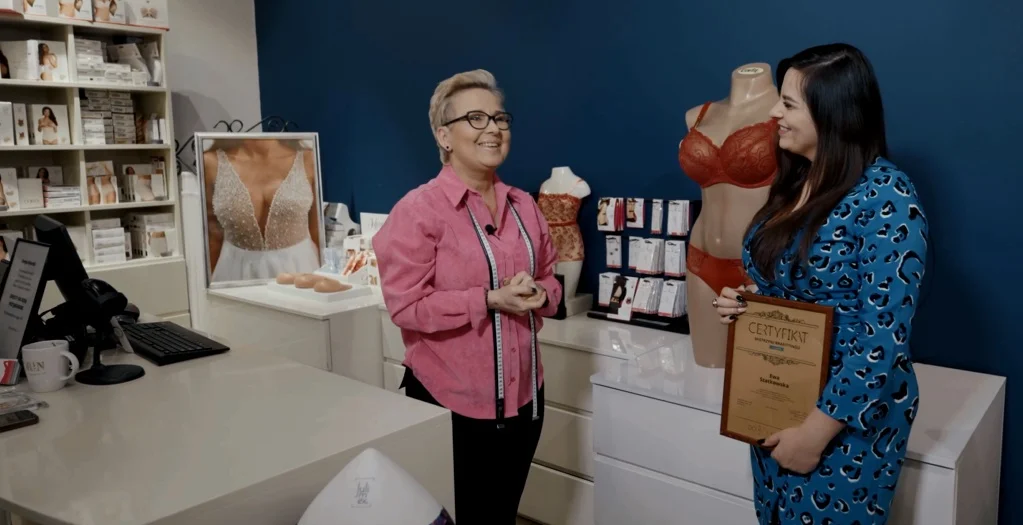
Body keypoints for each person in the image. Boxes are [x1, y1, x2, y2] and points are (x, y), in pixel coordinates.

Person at [716, 43, 928, 524]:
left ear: (833, 114)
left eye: (788, 104)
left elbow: (883, 335)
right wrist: (750, 303)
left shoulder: (888, 196)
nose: (774, 113)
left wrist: (814, 434)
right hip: (779, 398)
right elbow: (796, 287)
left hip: (842, 421)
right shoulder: (797, 180)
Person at [373, 69, 562, 525]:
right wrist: (488, 300)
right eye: (475, 118)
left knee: (500, 515)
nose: (493, 128)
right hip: (451, 403)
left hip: (525, 399)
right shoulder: (418, 211)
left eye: (500, 118)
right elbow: (407, 306)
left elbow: (551, 280)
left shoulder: (524, 206)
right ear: (444, 136)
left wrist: (540, 293)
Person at [203, 138, 321, 283]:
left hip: (300, 269)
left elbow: (317, 231)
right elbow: (213, 235)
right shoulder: (211, 163)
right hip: (235, 273)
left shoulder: (308, 159)